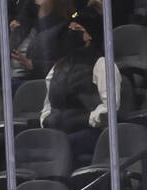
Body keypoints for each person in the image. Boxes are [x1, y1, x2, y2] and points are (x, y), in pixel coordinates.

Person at [39, 5, 116, 165]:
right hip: (58, 133)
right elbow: (47, 105)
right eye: (70, 28)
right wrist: (47, 120)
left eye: (77, 28)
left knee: (62, 148)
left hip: (89, 133)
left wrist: (88, 119)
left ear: (90, 36)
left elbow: (110, 107)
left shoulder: (102, 64)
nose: (71, 32)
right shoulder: (58, 67)